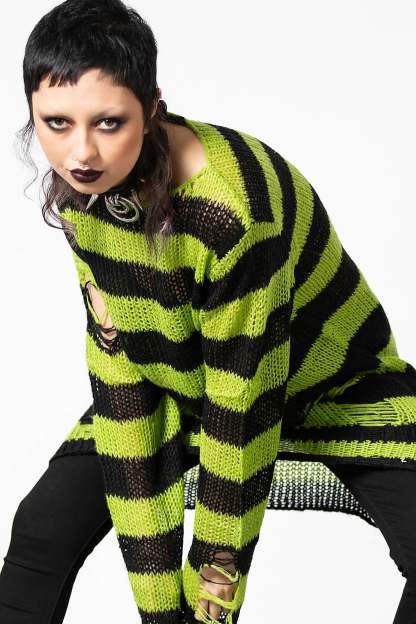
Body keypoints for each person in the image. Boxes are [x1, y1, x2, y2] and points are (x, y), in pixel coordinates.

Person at [2, 1, 416, 623]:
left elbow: (242, 407)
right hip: (178, 385)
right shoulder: (86, 191)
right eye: (55, 123)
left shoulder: (234, 213)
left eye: (109, 123)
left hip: (331, 388)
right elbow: (118, 360)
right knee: (40, 534)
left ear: (153, 105)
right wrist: (159, 610)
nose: (80, 153)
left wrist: (206, 609)